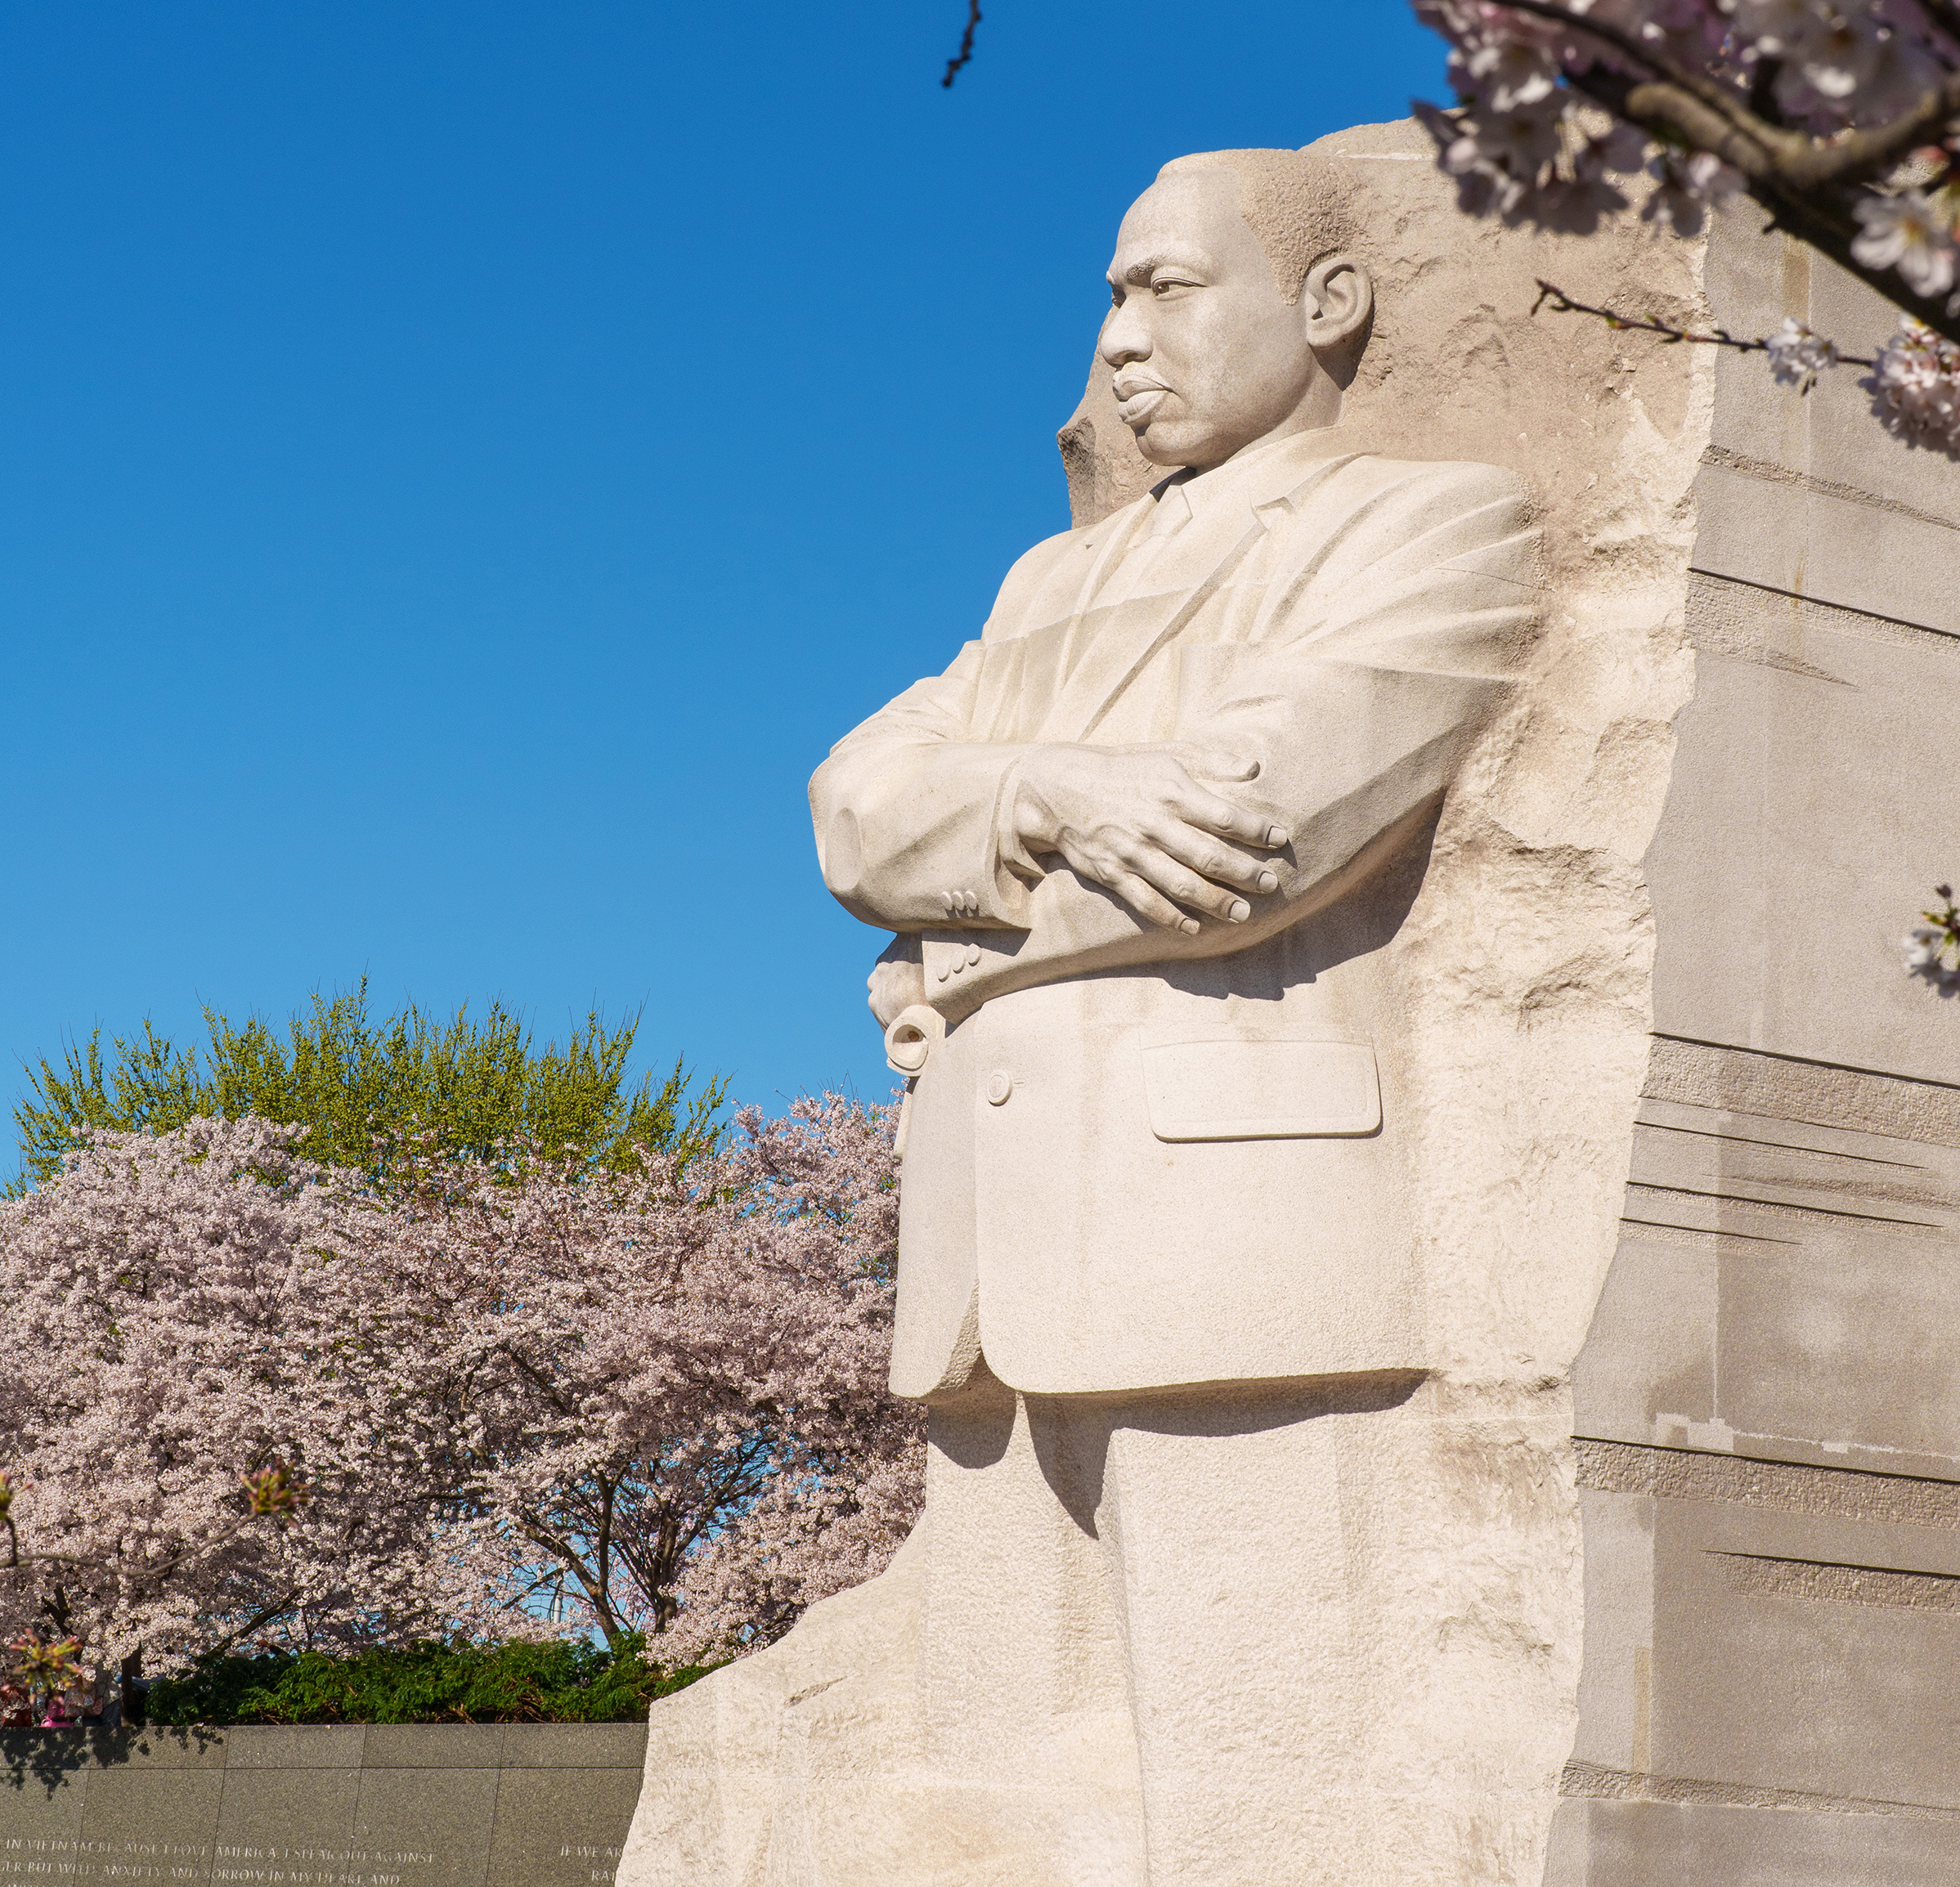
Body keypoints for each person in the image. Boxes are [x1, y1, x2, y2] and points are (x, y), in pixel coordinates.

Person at [632, 147, 1541, 1887]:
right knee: (981, 1803)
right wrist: (1045, 793)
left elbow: (1255, 834)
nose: (1123, 338)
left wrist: (949, 945)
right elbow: (852, 802)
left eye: (1170, 288)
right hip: (989, 1257)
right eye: (1113, 294)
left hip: (1234, 1239)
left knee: (1259, 1795)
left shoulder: (1431, 522)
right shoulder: (1044, 588)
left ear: (1329, 306)